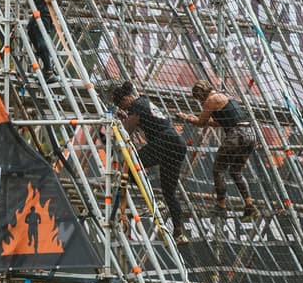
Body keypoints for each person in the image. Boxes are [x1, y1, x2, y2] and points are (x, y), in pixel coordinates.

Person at [111, 80, 188, 241]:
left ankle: (154, 201)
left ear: (125, 99)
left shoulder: (136, 106)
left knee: (131, 170)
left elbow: (127, 131)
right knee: (169, 192)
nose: (123, 109)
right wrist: (126, 117)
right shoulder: (144, 102)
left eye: (122, 105)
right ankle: (179, 232)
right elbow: (141, 121)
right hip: (176, 144)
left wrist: (118, 124)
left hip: (165, 142)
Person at [176, 80, 259, 219]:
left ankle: (221, 206)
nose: (200, 101)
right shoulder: (222, 96)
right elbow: (219, 122)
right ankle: (249, 205)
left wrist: (187, 117)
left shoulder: (211, 100)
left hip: (236, 134)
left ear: (201, 95)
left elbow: (201, 123)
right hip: (250, 134)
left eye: (199, 98)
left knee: (219, 169)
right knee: (235, 170)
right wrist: (194, 118)